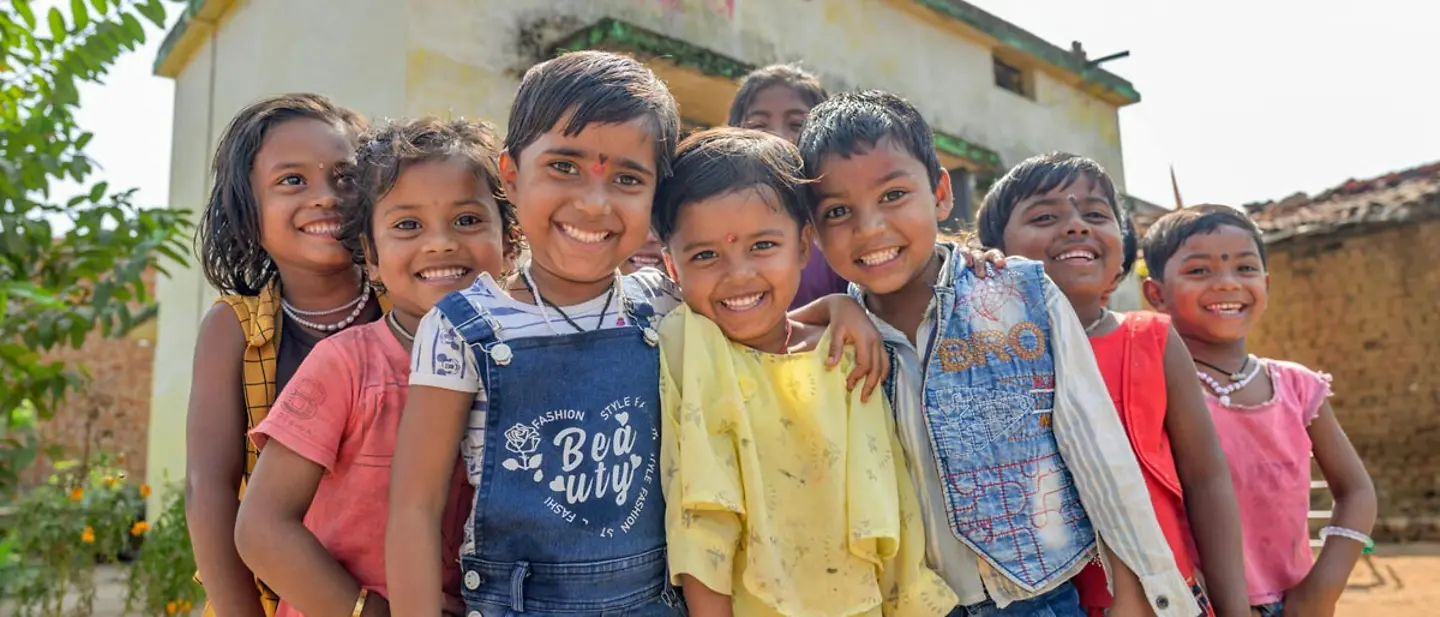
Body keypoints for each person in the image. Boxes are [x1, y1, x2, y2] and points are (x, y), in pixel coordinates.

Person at [385, 50, 889, 617]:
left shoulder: (661, 303)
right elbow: (415, 512)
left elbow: (763, 330)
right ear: (510, 175)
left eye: (627, 178)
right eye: (564, 167)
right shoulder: (460, 328)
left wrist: (840, 310)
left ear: (653, 200)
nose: (594, 202)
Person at [798, 90, 1200, 617]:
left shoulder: (1021, 295)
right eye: (838, 211)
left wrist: (1139, 591)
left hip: (1036, 600)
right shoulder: (831, 343)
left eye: (894, 195)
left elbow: (1099, 451)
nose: (869, 226)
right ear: (813, 231)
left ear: (941, 194)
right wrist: (830, 307)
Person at [652, 127, 959, 617]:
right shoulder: (689, 346)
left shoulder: (844, 355)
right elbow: (701, 522)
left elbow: (893, 511)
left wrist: (837, 306)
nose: (738, 274)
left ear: (803, 246)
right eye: (705, 255)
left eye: (763, 245)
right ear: (671, 265)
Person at [232, 118, 519, 617]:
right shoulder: (347, 365)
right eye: (408, 226)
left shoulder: (531, 364)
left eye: (468, 220)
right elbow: (261, 527)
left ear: (510, 243)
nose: (440, 244)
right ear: (371, 255)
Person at [975, 153, 1249, 617]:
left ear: (1122, 253)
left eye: (1096, 215)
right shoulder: (982, 357)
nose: (1077, 227)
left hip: (1164, 600)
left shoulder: (1153, 341)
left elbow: (1207, 479)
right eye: (1045, 217)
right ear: (995, 252)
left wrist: (1234, 608)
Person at [186, 93, 378, 617]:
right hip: (278, 598)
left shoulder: (409, 312)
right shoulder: (234, 329)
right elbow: (210, 487)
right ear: (248, 217)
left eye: (344, 177)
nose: (324, 196)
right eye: (292, 181)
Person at [1141, 205, 1377, 617]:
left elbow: (1357, 491)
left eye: (1245, 268)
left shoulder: (1298, 386)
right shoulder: (1155, 389)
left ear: (1266, 284)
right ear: (1156, 294)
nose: (1227, 284)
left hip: (1296, 603)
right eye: (1199, 271)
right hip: (1192, 603)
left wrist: (1323, 588)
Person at [727, 63, 848, 308]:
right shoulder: (715, 219)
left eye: (796, 125)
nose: (777, 136)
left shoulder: (837, 225)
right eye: (758, 125)